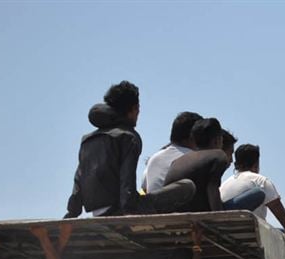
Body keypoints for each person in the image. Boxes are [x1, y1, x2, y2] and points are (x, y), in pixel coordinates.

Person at [65, 81, 194, 218]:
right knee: (187, 186)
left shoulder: (87, 140)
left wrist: (71, 213)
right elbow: (127, 180)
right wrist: (129, 214)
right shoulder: (128, 137)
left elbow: (78, 181)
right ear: (134, 108)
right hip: (121, 208)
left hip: (96, 212)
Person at [164, 119, 264, 213]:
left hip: (173, 213)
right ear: (217, 140)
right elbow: (212, 190)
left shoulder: (178, 161)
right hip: (201, 214)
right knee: (258, 194)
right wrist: (219, 220)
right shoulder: (218, 155)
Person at [220, 144, 285, 244]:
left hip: (227, 234)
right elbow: (282, 215)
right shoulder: (260, 181)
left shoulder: (225, 184)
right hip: (253, 235)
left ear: (236, 163)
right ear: (256, 163)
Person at [142, 110, 201, 193]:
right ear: (194, 136)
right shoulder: (195, 159)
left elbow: (145, 188)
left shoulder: (154, 158)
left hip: (152, 205)